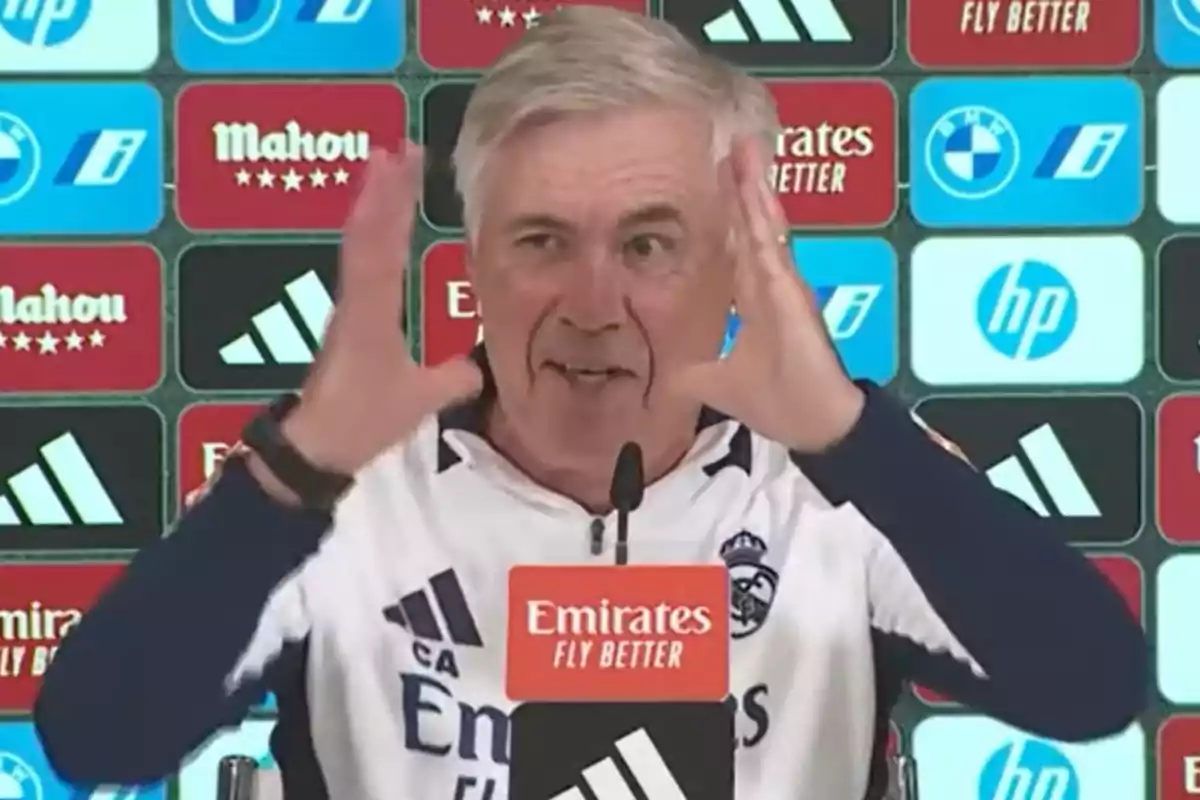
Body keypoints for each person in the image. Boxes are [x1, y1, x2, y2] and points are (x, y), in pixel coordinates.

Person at [35, 7, 1145, 799]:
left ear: (733, 266)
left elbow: (1092, 688)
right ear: (470, 262)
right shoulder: (341, 490)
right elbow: (96, 733)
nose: (594, 302)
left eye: (651, 244)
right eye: (541, 242)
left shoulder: (840, 487)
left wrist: (857, 440)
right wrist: (292, 475)